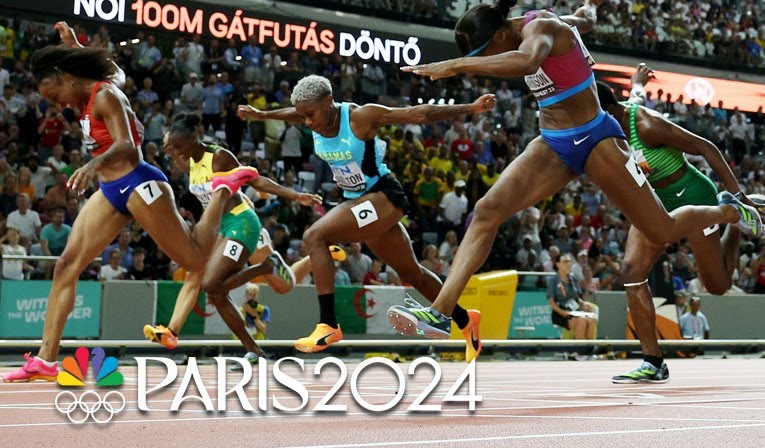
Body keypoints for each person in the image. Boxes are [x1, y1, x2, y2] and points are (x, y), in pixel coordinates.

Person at [398, 0, 761, 340]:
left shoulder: (539, 29)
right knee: (487, 209)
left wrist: (459, 65)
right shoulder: (548, 25)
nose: (483, 62)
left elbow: (528, 59)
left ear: (498, 38)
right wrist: (591, 0)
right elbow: (585, 19)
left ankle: (729, 211)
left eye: (483, 54)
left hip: (596, 139)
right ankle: (441, 313)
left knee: (661, 230)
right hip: (553, 142)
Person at [4, 29, 209, 383]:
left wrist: (92, 164)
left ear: (67, 79)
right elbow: (111, 67)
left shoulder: (105, 97)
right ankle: (46, 359)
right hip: (112, 190)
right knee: (66, 265)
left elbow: (129, 147)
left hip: (141, 184)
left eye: (56, 95)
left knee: (193, 260)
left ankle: (221, 207)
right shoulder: (95, 86)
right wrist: (74, 46)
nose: (58, 104)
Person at [237, 75, 491, 358]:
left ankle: (328, 324)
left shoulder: (360, 117)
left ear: (329, 102)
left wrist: (469, 108)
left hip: (384, 196)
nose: (307, 122)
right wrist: (262, 115)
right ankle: (466, 320)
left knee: (314, 236)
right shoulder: (314, 119)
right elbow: (293, 114)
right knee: (412, 274)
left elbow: (418, 114)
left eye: (311, 115)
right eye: (303, 116)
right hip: (358, 203)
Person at [599, 67, 765, 384]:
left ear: (608, 111)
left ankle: (733, 217)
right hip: (656, 203)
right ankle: (653, 362)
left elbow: (708, 148)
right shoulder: (609, 124)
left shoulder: (646, 124)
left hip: (694, 196)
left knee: (716, 286)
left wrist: (739, 195)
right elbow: (634, 94)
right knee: (631, 271)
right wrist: (637, 83)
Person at [143, 114, 323, 356]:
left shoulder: (219, 157)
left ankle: (282, 263)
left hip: (242, 221)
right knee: (198, 277)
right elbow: (177, 153)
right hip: (220, 227)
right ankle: (173, 332)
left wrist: (295, 195)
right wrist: (170, 146)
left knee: (279, 286)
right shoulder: (189, 161)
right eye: (172, 148)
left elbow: (255, 179)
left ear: (194, 138)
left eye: (178, 146)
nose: (176, 152)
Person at [547, 253, 596, 341]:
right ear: (558, 264)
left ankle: (589, 350)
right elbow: (551, 303)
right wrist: (564, 313)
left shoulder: (573, 279)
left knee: (591, 320)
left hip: (575, 310)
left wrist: (583, 304)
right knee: (580, 321)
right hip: (560, 312)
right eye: (565, 262)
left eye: (569, 262)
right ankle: (580, 352)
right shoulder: (553, 281)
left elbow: (577, 298)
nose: (568, 264)